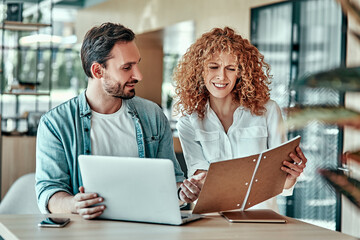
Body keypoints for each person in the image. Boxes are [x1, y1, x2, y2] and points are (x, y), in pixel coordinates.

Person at [35, 22, 204, 220]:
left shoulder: (153, 115)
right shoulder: (56, 124)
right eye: (127, 67)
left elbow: (173, 183)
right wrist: (73, 204)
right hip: (86, 233)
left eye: (137, 64)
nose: (138, 75)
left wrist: (183, 192)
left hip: (145, 230)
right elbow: (49, 193)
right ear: (98, 71)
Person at [173, 27, 307, 212]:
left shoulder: (268, 110)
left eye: (231, 68)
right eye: (213, 67)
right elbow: (201, 178)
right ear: (199, 70)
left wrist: (292, 175)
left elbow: (282, 181)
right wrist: (192, 187)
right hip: (213, 221)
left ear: (241, 73)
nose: (221, 76)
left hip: (260, 221)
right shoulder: (189, 122)